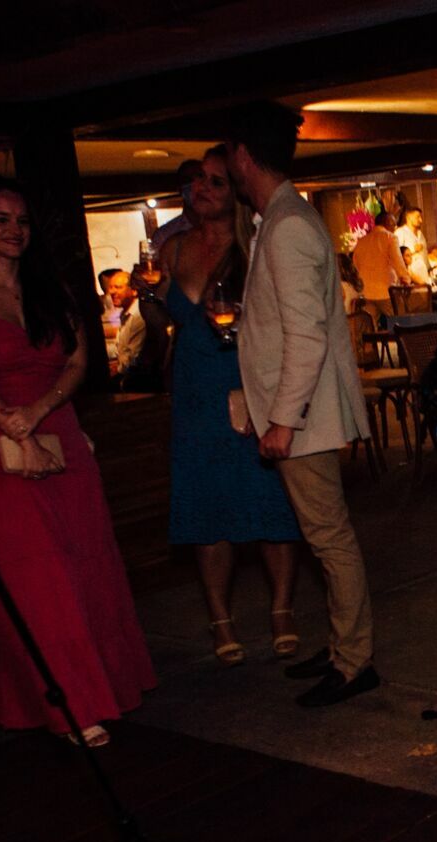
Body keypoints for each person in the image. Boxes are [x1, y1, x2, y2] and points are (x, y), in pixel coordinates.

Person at [0, 176, 156, 747]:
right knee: (37, 575)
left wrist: (39, 410)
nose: (14, 230)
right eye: (1, 219)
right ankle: (70, 704)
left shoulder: (48, 289)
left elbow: (78, 362)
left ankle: (104, 686)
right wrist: (16, 425)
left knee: (86, 563)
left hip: (58, 430)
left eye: (22, 220)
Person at [223, 103, 380, 707]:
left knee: (330, 539)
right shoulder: (282, 216)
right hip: (300, 411)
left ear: (243, 156)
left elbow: (306, 336)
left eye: (229, 155)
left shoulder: (287, 223)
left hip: (304, 415)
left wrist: (283, 420)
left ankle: (354, 661)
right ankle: (344, 646)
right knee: (324, 538)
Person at [156, 144, 303, 665]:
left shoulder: (254, 247)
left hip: (245, 385)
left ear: (235, 191)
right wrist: (152, 301)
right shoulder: (173, 249)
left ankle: (281, 610)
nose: (203, 188)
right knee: (205, 508)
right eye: (198, 179)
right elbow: (164, 320)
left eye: (216, 181)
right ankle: (221, 619)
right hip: (195, 391)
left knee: (268, 503)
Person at [351, 206, 413, 321]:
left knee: (371, 325)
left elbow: (355, 265)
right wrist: (406, 279)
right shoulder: (390, 238)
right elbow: (398, 261)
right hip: (386, 292)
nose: (395, 228)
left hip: (367, 292)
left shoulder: (361, 241)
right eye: (394, 224)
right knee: (400, 321)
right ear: (387, 223)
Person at [149, 158, 206, 253]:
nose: (194, 186)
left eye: (199, 178)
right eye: (188, 180)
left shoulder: (225, 230)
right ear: (179, 188)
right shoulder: (165, 235)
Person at [395, 206, 431, 286]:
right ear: (408, 217)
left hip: (424, 276)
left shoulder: (420, 234)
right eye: (417, 217)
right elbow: (397, 256)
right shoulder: (400, 233)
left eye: (421, 217)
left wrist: (429, 269)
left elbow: (425, 254)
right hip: (411, 279)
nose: (421, 220)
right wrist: (413, 251)